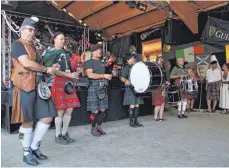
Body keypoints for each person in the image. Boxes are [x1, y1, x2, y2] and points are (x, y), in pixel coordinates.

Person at [10, 16, 57, 166]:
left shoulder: (34, 47)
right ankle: (26, 152)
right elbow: (26, 63)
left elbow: (39, 64)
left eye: (33, 30)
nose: (31, 32)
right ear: (22, 30)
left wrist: (51, 68)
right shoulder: (17, 44)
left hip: (38, 86)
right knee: (28, 120)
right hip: (25, 86)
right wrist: (45, 69)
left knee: (48, 116)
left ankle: (34, 147)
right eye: (29, 29)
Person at [43, 32, 81, 145]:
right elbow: (52, 70)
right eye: (60, 38)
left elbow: (71, 67)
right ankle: (58, 135)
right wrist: (69, 75)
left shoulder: (66, 52)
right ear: (54, 40)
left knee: (69, 110)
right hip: (58, 82)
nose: (62, 40)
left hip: (68, 82)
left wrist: (76, 73)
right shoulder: (51, 52)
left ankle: (64, 133)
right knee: (60, 111)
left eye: (63, 39)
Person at [84, 43, 112, 136]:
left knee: (103, 110)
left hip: (102, 87)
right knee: (95, 111)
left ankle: (99, 126)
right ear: (93, 52)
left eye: (100, 50)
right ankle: (93, 128)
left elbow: (107, 73)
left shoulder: (102, 63)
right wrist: (104, 75)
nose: (100, 51)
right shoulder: (88, 62)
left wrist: (111, 75)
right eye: (98, 50)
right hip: (93, 87)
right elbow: (90, 75)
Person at [120, 53, 144, 127]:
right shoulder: (127, 68)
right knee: (132, 105)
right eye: (128, 60)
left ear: (133, 59)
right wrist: (125, 81)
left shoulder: (138, 66)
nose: (128, 61)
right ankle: (131, 122)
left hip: (137, 88)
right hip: (131, 88)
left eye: (129, 59)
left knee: (137, 105)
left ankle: (136, 121)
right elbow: (121, 77)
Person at [152, 56, 168, 121]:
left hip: (163, 86)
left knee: (163, 102)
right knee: (158, 103)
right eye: (160, 60)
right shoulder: (154, 67)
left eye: (162, 60)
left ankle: (161, 117)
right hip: (157, 86)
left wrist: (166, 82)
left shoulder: (163, 68)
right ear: (157, 60)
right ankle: (155, 117)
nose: (161, 61)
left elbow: (165, 77)